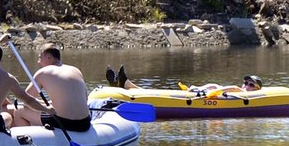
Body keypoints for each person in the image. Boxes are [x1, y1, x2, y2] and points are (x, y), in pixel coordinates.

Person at [12, 43, 92, 132]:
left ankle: (28, 142)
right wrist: (45, 104)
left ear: (49, 57)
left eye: (40, 57)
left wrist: (42, 106)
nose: (38, 62)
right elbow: (85, 98)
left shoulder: (43, 72)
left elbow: (26, 101)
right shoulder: (75, 70)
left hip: (65, 123)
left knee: (19, 112)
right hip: (85, 122)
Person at [106, 66, 263, 93]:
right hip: (195, 94)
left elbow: (222, 90)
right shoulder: (236, 90)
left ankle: (125, 84)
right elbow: (215, 88)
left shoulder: (237, 91)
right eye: (246, 83)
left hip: (200, 96)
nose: (246, 85)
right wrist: (198, 88)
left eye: (250, 85)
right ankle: (123, 84)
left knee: (157, 94)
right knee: (158, 92)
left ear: (256, 89)